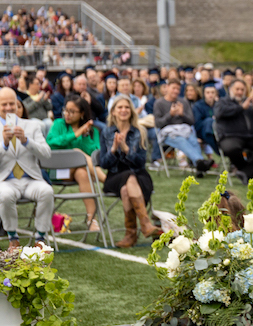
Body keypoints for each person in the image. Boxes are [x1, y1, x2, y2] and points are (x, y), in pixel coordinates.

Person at [0, 87, 54, 249]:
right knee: (5, 195)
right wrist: (3, 144)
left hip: (30, 179)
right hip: (4, 181)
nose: (8, 108)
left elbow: (46, 154)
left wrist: (27, 141)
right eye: (4, 104)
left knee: (47, 191)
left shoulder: (32, 126)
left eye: (11, 104)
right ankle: (13, 238)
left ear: (17, 104)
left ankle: (40, 239)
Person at [99, 95, 162, 247]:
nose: (123, 110)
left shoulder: (139, 132)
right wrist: (114, 149)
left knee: (127, 187)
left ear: (132, 111)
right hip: (115, 175)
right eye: (119, 107)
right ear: (113, 111)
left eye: (127, 107)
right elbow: (104, 164)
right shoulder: (106, 132)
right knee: (128, 178)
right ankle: (145, 224)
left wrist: (126, 149)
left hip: (138, 174)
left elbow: (141, 162)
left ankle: (131, 234)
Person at [45, 94, 105, 231]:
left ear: (82, 113)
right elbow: (50, 143)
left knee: (82, 172)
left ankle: (92, 220)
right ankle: (106, 181)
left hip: (80, 171)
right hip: (57, 171)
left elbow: (96, 153)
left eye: (72, 112)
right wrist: (75, 134)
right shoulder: (58, 124)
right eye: (66, 110)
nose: (67, 114)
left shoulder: (92, 130)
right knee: (77, 152)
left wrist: (84, 136)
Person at [213, 79, 253, 184]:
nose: (240, 92)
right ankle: (246, 171)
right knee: (231, 148)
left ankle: (245, 172)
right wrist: (241, 108)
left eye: (242, 89)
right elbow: (220, 113)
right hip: (230, 135)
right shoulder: (223, 102)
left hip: (251, 135)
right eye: (237, 89)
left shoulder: (249, 101)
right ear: (230, 89)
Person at [153, 79, 212, 174]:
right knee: (181, 140)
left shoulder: (183, 102)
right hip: (169, 133)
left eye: (178, 89)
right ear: (167, 88)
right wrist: (170, 114)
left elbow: (191, 121)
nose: (176, 91)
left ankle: (199, 166)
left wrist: (182, 114)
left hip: (185, 130)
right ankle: (199, 161)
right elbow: (158, 123)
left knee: (193, 139)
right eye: (174, 88)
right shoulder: (159, 103)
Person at [192, 82, 219, 154]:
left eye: (213, 92)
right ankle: (218, 150)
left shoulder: (219, 105)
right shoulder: (198, 106)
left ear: (216, 94)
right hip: (203, 132)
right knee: (208, 122)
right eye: (208, 92)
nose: (210, 95)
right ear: (204, 94)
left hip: (219, 130)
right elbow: (197, 124)